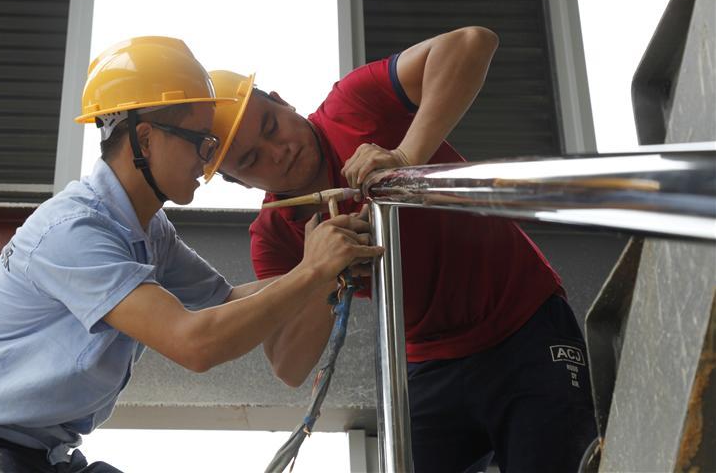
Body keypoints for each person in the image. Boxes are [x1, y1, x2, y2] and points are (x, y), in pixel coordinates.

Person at [0, 37, 383, 472]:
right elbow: (194, 343)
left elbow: (225, 303)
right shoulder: (74, 230)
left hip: (37, 454)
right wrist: (312, 271)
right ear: (146, 138)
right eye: (200, 142)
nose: (207, 161)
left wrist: (328, 264)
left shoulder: (148, 231)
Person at [206, 27, 598, 473]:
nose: (278, 152)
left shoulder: (352, 106)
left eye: (271, 126)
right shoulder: (275, 236)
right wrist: (320, 273)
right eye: (251, 160)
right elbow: (288, 366)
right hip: (429, 363)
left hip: (524, 324)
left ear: (282, 102)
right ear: (240, 182)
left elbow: (473, 42)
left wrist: (406, 157)